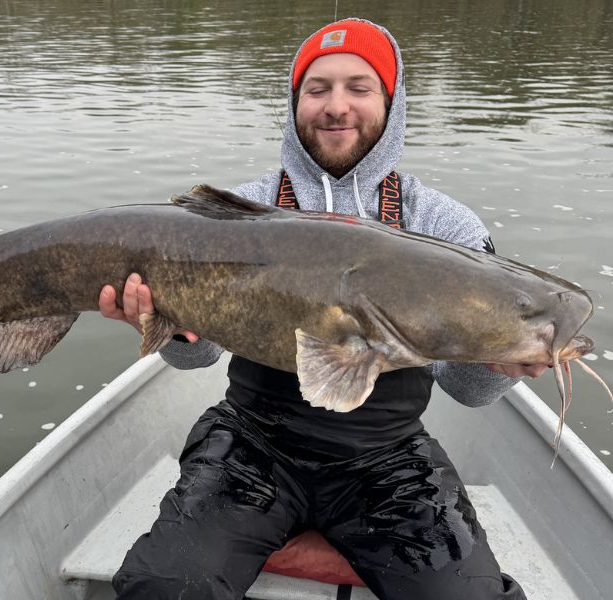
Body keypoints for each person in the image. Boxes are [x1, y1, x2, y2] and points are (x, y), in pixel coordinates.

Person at [99, 18, 545, 600]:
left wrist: (500, 364)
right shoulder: (241, 208)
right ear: (295, 106)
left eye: (359, 87)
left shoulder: (445, 226)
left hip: (388, 457)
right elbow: (199, 358)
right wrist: (170, 328)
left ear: (390, 104)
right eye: (318, 89)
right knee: (165, 586)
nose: (336, 106)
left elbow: (468, 392)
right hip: (251, 445)